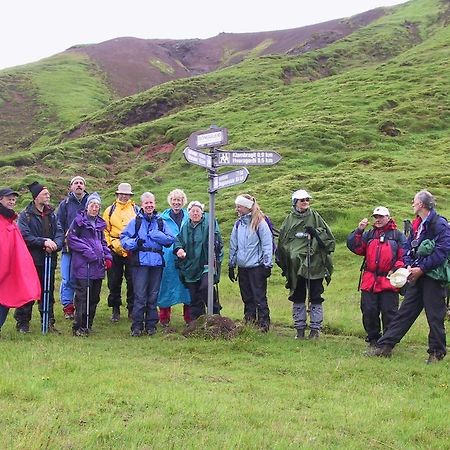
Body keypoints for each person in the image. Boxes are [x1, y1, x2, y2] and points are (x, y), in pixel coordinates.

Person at [368, 190, 450, 363]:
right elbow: (407, 247)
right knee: (404, 312)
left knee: (434, 315)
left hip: (433, 278)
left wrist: (421, 268)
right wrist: (409, 266)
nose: (412, 204)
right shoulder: (417, 224)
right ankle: (385, 346)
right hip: (417, 275)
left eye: (414, 201)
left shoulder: (439, 223)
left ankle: (437, 353)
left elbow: (443, 251)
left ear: (421, 204)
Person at [276, 189, 335, 339]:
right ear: (295, 202)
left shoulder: (316, 217)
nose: (305, 203)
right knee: (298, 296)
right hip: (295, 267)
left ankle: (315, 329)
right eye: (302, 200)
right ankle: (299, 329)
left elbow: (328, 238)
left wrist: (315, 233)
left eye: (307, 200)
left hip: (314, 264)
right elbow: (283, 243)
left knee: (316, 296)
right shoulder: (288, 221)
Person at [347, 206, 407, 347]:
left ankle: (388, 341)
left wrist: (395, 268)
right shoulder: (369, 234)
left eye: (381, 217)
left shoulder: (397, 236)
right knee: (369, 311)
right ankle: (373, 339)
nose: (378, 220)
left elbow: (404, 255)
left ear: (388, 217)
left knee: (389, 312)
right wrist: (359, 231)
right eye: (376, 217)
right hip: (369, 280)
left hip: (389, 280)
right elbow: (356, 247)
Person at [120, 192, 174, 337]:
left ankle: (151, 326)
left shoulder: (161, 222)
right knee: (140, 296)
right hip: (140, 263)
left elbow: (170, 240)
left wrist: (156, 235)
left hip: (156, 263)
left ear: (154, 204)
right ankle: (137, 326)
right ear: (142, 205)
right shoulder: (136, 221)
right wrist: (135, 242)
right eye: (146, 203)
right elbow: (124, 239)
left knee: (153, 296)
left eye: (151, 203)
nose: (149, 205)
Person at [15, 182, 64, 333]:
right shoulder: (26, 215)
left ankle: (48, 322)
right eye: (45, 194)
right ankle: (23, 323)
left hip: (49, 259)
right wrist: (43, 242)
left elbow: (60, 232)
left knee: (47, 292)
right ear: (36, 197)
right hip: (31, 260)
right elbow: (25, 235)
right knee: (28, 291)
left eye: (48, 194)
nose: (48, 196)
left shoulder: (52, 214)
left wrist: (56, 244)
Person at [67, 192, 112, 336]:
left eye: (97, 206)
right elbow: (72, 239)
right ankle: (79, 326)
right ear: (87, 207)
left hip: (97, 267)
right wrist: (88, 251)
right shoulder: (78, 222)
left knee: (94, 297)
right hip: (83, 266)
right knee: (82, 297)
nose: (95, 208)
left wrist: (108, 256)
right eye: (92, 205)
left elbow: (103, 243)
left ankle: (88, 324)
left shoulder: (99, 224)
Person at [0, 188, 41, 336]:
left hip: (10, 269)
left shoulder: (10, 220)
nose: (11, 201)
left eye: (13, 199)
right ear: (0, 200)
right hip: (3, 268)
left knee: (4, 299)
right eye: (8, 199)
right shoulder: (4, 221)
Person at [229, 194, 273, 332]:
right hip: (243, 267)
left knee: (259, 296)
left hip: (257, 266)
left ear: (247, 207)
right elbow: (233, 245)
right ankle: (249, 320)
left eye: (239, 206)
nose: (237, 209)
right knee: (247, 296)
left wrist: (267, 264)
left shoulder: (260, 222)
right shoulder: (238, 224)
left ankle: (264, 323)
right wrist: (231, 264)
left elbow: (267, 245)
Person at [174, 200, 223, 320]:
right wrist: (179, 249)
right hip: (190, 265)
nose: (195, 213)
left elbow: (217, 239)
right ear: (189, 213)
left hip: (206, 263)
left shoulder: (209, 222)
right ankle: (197, 321)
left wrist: (215, 246)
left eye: (198, 211)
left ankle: (215, 316)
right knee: (194, 294)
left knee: (206, 287)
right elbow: (178, 240)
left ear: (202, 212)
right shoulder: (186, 226)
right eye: (192, 211)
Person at [103, 182, 139, 322]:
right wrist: (110, 245)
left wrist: (134, 244)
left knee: (133, 281)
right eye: (122, 194)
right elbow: (105, 230)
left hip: (131, 249)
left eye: (127, 194)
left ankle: (131, 309)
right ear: (117, 194)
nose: (124, 196)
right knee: (114, 281)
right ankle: (115, 309)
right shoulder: (109, 210)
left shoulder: (136, 210)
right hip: (113, 248)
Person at [157, 189, 191, 326]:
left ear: (183, 202)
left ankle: (189, 318)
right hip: (168, 258)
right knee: (166, 285)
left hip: (186, 257)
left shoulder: (189, 217)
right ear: (170, 201)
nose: (176, 202)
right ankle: (164, 318)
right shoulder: (161, 218)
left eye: (179, 200)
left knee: (187, 286)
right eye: (174, 200)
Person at [56, 176, 89, 319]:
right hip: (68, 248)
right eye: (76, 183)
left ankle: (81, 306)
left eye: (81, 183)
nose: (79, 185)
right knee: (67, 278)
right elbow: (59, 223)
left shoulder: (90, 202)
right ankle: (68, 307)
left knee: (82, 278)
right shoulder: (65, 204)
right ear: (71, 187)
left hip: (85, 249)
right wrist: (63, 240)